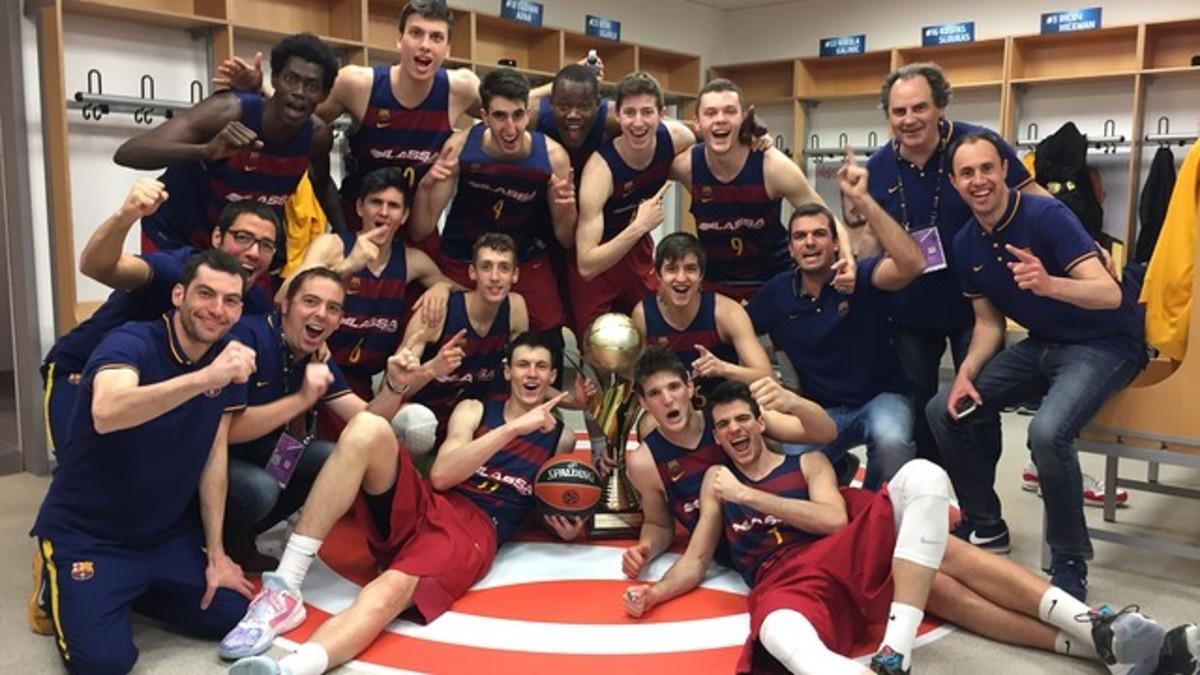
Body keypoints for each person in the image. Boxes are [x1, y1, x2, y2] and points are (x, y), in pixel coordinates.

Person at [623, 381, 1183, 675]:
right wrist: (653, 589)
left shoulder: (808, 464)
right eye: (723, 426)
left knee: (926, 490)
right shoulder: (714, 484)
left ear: (760, 421)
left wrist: (750, 493)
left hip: (845, 545)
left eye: (742, 418)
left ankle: (901, 652)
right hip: (788, 578)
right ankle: (1100, 643)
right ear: (717, 437)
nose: (734, 429)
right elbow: (695, 559)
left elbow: (833, 519)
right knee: (778, 635)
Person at [220, 332, 583, 675]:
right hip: (432, 500)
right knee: (366, 427)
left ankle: (291, 669)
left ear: (553, 375)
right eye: (522, 365)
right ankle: (286, 585)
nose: (531, 374)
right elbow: (442, 475)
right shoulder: (475, 410)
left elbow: (544, 499)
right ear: (507, 371)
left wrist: (565, 524)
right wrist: (512, 430)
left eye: (540, 366)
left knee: (389, 590)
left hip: (472, 530)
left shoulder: (560, 439)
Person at [926, 130, 1147, 601]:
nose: (979, 180)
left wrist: (1050, 285)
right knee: (944, 408)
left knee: (1046, 433)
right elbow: (988, 324)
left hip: (1105, 343)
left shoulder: (1047, 215)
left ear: (1005, 169)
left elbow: (1109, 294)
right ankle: (985, 524)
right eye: (967, 173)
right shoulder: (966, 241)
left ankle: (1069, 560)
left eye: (988, 168)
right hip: (1044, 344)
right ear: (954, 182)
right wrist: (966, 372)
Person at [29, 250, 258, 674]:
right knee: (104, 664)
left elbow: (213, 455)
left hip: (161, 535)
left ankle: (128, 589)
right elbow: (109, 411)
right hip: (89, 534)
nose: (216, 310)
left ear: (241, 309)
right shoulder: (131, 340)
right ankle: (55, 573)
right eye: (205, 294)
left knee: (231, 611)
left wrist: (217, 555)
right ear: (177, 294)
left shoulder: (227, 355)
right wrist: (206, 378)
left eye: (230, 300)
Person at [867, 63, 1051, 465]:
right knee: (916, 405)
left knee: (977, 402)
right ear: (888, 116)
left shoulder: (977, 147)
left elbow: (1032, 195)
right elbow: (867, 236)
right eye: (899, 112)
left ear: (940, 107)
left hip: (978, 302)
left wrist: (1084, 239)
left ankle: (978, 503)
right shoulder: (878, 167)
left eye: (919, 107)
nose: (909, 119)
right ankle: (931, 493)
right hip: (911, 308)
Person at [40, 180, 278, 462]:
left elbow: (283, 325)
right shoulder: (181, 269)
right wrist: (126, 215)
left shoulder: (253, 301)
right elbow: (97, 266)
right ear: (217, 238)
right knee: (83, 466)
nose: (253, 252)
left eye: (265, 245)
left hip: (153, 386)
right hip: (82, 370)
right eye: (242, 237)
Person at [224, 267, 440, 569]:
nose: (321, 314)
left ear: (339, 321)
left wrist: (394, 385)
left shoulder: (315, 355)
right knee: (262, 488)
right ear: (285, 304)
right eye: (310, 302)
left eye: (333, 308)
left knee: (329, 458)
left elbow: (367, 419)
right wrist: (300, 400)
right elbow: (228, 432)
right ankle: (209, 544)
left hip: (268, 451)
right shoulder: (249, 337)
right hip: (213, 458)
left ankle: (241, 540)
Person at [216, 0, 481, 238]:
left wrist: (464, 136)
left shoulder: (462, 88)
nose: (424, 45)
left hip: (416, 223)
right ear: (399, 39)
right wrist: (259, 89)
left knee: (434, 289)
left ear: (447, 48)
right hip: (359, 218)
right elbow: (298, 115)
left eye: (436, 37)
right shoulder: (357, 83)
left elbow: (508, 115)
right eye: (416, 33)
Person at [747, 152, 926, 490]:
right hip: (822, 411)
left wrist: (862, 200)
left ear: (834, 243)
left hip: (881, 398)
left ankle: (874, 509)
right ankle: (840, 466)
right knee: (792, 474)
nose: (810, 243)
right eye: (800, 237)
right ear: (791, 248)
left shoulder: (861, 276)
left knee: (892, 444)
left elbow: (913, 264)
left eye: (819, 235)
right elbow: (736, 330)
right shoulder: (776, 294)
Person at [622, 347, 835, 578]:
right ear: (643, 402)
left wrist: (795, 403)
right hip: (740, 558)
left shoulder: (729, 417)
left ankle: (832, 475)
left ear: (690, 387)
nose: (667, 400)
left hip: (788, 532)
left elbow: (825, 433)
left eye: (674, 387)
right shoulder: (644, 462)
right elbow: (659, 525)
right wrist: (645, 549)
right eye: (654, 393)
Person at [115, 33, 340, 252]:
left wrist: (345, 236)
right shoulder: (227, 110)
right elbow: (128, 152)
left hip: (238, 250)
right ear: (274, 80)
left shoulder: (317, 136)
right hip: (177, 238)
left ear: (324, 95)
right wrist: (205, 151)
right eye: (291, 80)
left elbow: (322, 183)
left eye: (312, 86)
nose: (299, 92)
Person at [285, 167, 456, 439]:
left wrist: (442, 288)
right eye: (376, 202)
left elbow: (456, 288)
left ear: (405, 215)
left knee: (399, 434)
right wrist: (349, 266)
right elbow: (284, 296)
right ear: (360, 207)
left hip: (362, 383)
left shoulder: (412, 261)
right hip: (314, 369)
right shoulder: (332, 246)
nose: (384, 212)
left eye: (394, 206)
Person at [411, 68, 576, 334]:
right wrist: (424, 188)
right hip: (463, 254)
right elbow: (421, 229)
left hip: (522, 257)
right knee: (441, 321)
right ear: (484, 116)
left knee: (548, 331)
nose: (510, 128)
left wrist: (566, 207)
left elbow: (567, 238)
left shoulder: (554, 157)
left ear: (529, 114)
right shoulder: (459, 148)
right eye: (500, 116)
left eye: (518, 115)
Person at [672, 78, 855, 304]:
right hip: (717, 285)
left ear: (744, 118)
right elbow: (649, 132)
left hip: (773, 281)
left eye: (730, 112)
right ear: (697, 122)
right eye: (710, 113)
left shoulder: (773, 166)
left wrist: (848, 259)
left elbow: (828, 220)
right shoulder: (687, 166)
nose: (720, 119)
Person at [572, 71, 695, 335]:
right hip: (600, 251)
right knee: (599, 342)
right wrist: (640, 226)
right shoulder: (600, 171)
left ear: (662, 114)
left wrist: (758, 142)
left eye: (647, 112)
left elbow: (717, 148)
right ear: (617, 115)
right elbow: (586, 265)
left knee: (656, 324)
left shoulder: (677, 138)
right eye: (630, 113)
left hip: (636, 250)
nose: (638, 123)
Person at [403, 233, 528, 442]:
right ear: (472, 272)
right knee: (414, 422)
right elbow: (394, 386)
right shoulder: (437, 311)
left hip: (471, 416)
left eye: (504, 268)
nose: (495, 277)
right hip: (423, 414)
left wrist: (572, 401)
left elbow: (524, 374)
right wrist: (431, 369)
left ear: (515, 275)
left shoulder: (515, 309)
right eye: (486, 267)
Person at [632, 232, 771, 410]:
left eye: (690, 269)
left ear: (701, 275)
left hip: (723, 413)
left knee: (769, 423)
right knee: (648, 425)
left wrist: (723, 368)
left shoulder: (728, 312)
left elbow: (767, 377)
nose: (681, 278)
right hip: (671, 414)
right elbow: (635, 380)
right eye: (672, 269)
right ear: (658, 275)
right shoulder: (643, 315)